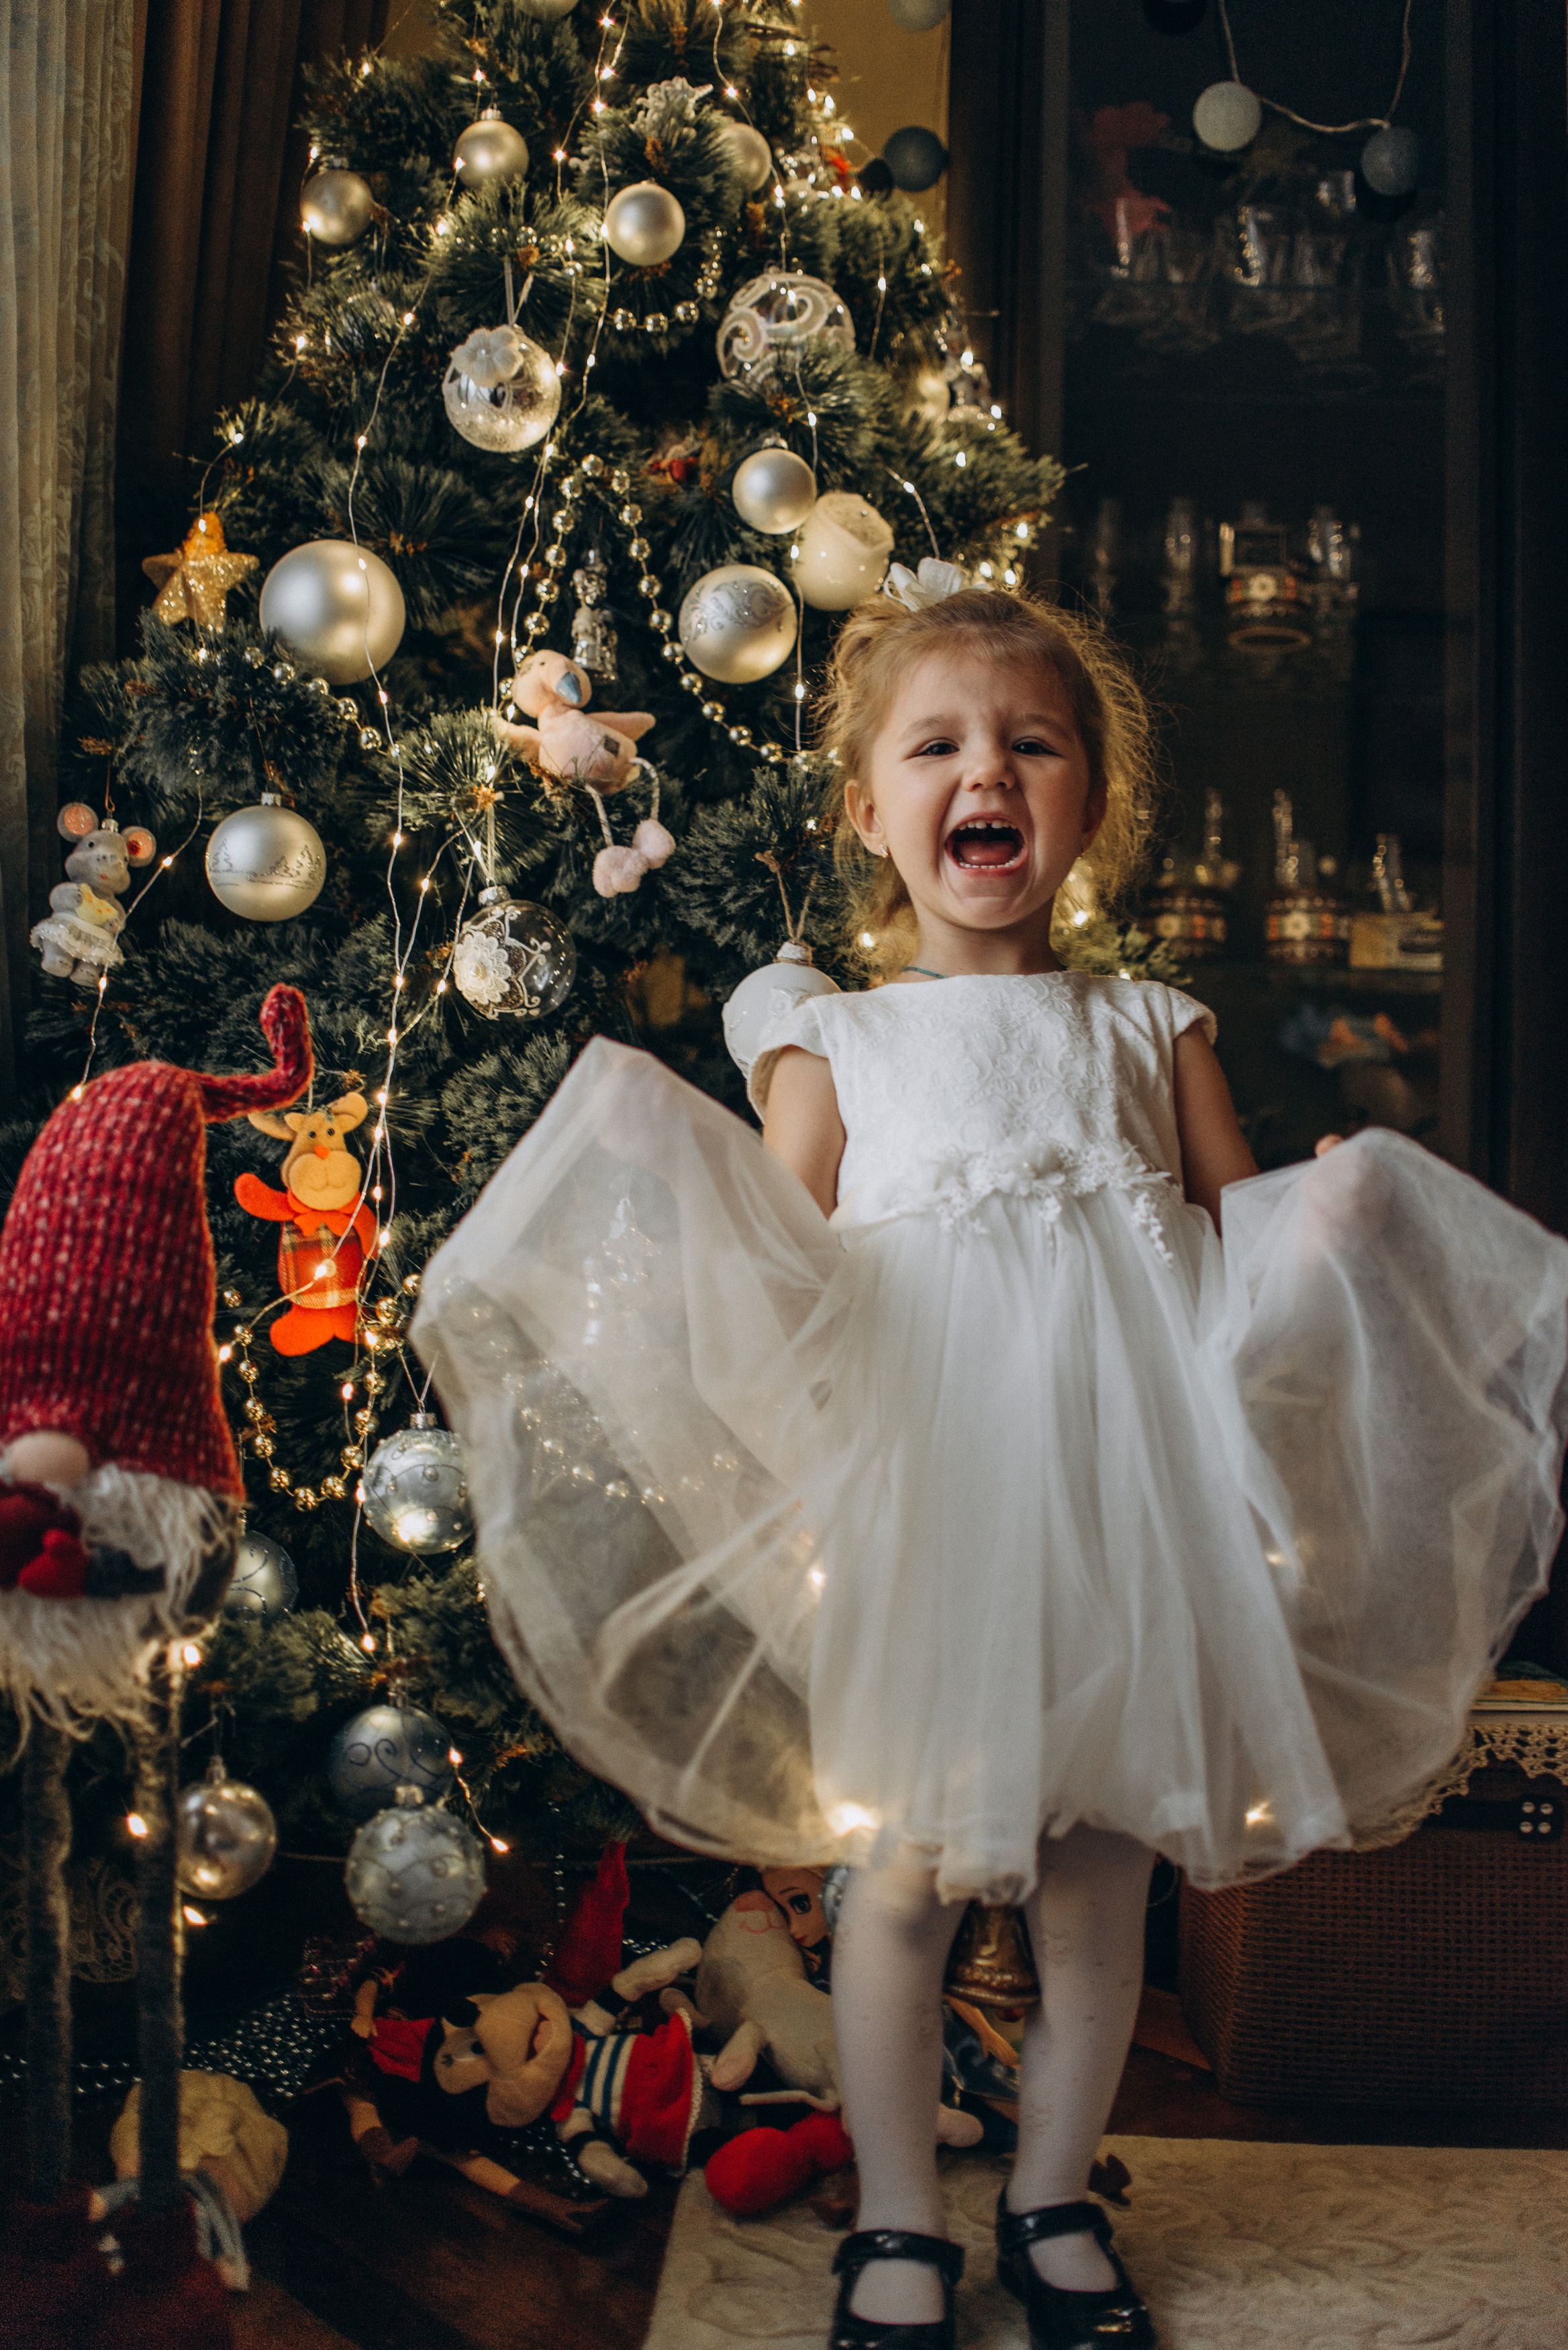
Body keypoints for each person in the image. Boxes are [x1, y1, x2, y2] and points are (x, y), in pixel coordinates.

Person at [414, 582, 1568, 2350]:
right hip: (931, 1515)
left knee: (1104, 1880)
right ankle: (893, 2214)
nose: (990, 773)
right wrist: (674, 1159)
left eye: (1032, 743)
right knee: (901, 1879)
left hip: (1129, 1518)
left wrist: (1321, 1219)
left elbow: (1229, 1248)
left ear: (1088, 801)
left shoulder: (1148, 1024)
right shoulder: (842, 1041)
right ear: (869, 809)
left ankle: (1049, 2193)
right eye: (939, 744)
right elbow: (779, 1265)